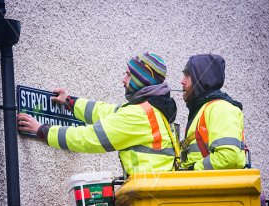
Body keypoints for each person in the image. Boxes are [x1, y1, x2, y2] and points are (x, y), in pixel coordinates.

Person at [17, 52, 180, 176]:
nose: (123, 80)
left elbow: (90, 138)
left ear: (142, 79)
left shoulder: (139, 116)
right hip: (153, 196)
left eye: (129, 75)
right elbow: (105, 111)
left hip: (148, 199)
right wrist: (70, 102)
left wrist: (42, 130)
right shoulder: (151, 109)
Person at [179, 53, 246, 170]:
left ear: (201, 78)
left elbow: (228, 157)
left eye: (187, 75)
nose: (182, 81)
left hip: (214, 186)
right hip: (204, 185)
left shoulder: (221, 108)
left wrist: (193, 170)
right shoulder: (204, 109)